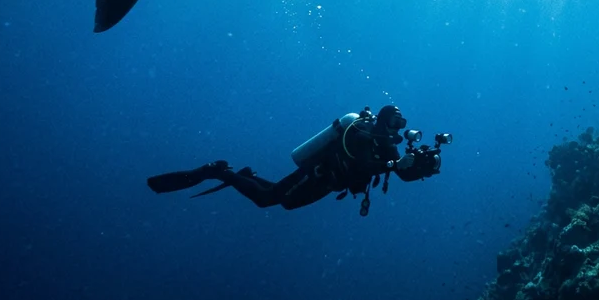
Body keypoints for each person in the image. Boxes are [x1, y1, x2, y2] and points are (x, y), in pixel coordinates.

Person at [146, 105, 449, 216]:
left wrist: (423, 165)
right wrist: (394, 165)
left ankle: (240, 174)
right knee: (269, 200)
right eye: (396, 121)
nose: (399, 127)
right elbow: (362, 166)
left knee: (280, 199)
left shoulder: (387, 146)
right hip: (319, 174)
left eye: (402, 122)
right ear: (383, 119)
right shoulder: (362, 132)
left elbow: (399, 173)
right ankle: (218, 172)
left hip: (327, 183)